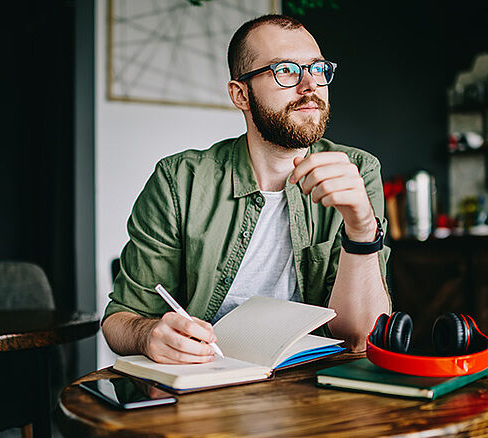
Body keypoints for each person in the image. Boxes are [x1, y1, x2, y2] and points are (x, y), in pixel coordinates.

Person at [102, 14, 391, 364]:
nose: (309, 86)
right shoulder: (180, 180)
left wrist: (361, 229)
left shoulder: (357, 171)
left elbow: (360, 336)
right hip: (209, 386)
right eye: (285, 70)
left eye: (317, 69)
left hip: (313, 387)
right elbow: (118, 321)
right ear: (240, 94)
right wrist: (149, 335)